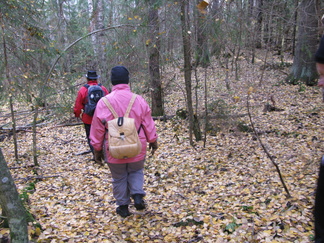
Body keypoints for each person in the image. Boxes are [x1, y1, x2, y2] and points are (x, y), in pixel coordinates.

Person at [90, 66, 158, 217]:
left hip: (114, 147)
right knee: (136, 170)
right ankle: (138, 195)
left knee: (119, 177)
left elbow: (97, 129)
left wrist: (97, 149)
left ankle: (123, 207)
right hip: (137, 145)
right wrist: (153, 140)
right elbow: (148, 123)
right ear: (128, 80)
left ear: (112, 82)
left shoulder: (103, 102)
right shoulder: (138, 100)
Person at [73, 70, 109, 157]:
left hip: (88, 119)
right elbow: (109, 102)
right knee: (104, 136)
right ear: (96, 78)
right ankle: (105, 155)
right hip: (102, 118)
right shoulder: (103, 89)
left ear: (87, 78)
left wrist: (77, 115)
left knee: (91, 138)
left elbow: (78, 106)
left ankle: (96, 156)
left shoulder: (83, 90)